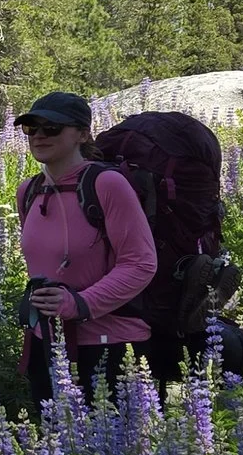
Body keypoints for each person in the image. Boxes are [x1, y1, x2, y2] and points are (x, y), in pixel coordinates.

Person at [13, 91, 157, 405]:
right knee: (53, 435)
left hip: (110, 344)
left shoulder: (107, 184)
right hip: (46, 342)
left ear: (81, 134)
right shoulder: (29, 191)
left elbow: (141, 263)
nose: (39, 136)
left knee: (114, 435)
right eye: (31, 128)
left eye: (52, 128)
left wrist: (80, 303)